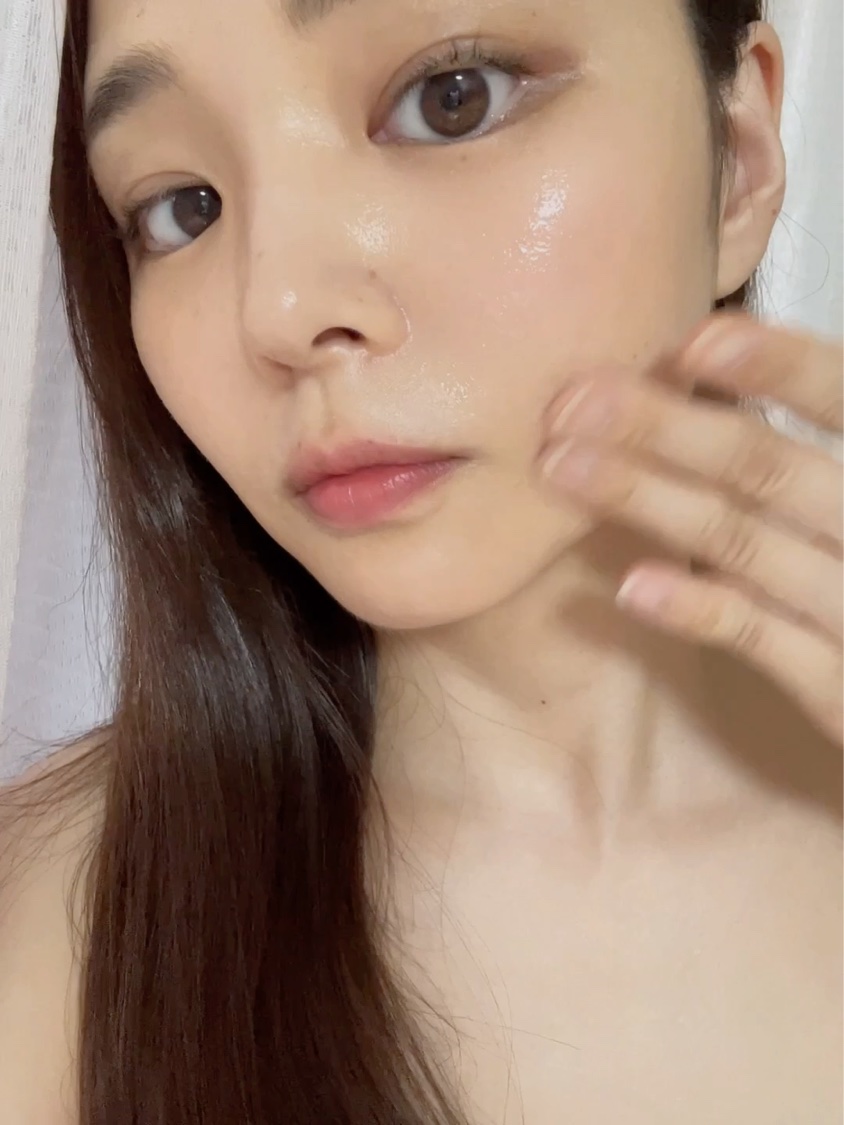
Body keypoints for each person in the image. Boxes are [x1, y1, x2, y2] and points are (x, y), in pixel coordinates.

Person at [0, 0, 841, 1122]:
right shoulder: (47, 936)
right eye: (180, 207)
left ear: (736, 161)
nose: (278, 309)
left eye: (454, 100)